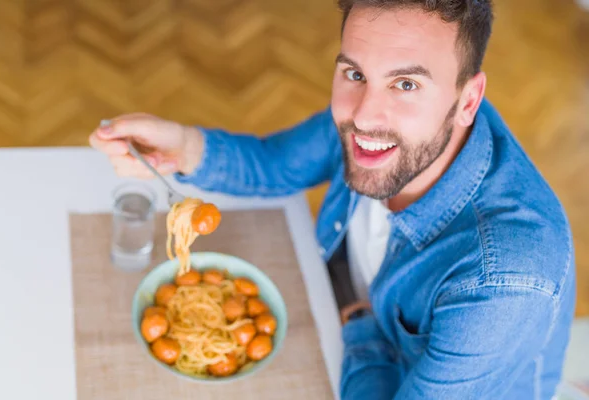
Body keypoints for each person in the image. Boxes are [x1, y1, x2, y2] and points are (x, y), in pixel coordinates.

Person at [89, 0, 576, 398]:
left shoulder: (505, 280)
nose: (364, 116)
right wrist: (183, 145)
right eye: (354, 73)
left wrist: (357, 322)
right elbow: (275, 165)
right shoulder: (398, 118)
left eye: (405, 84)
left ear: (468, 100)